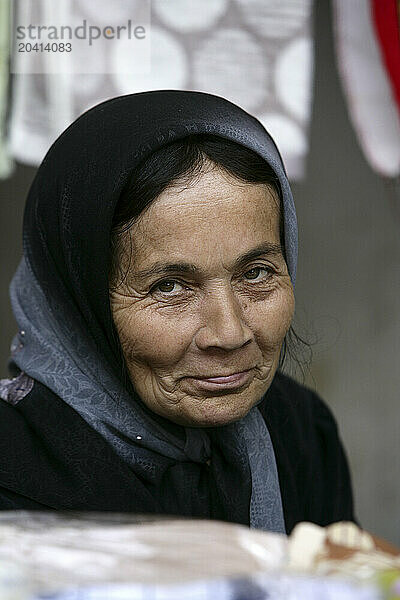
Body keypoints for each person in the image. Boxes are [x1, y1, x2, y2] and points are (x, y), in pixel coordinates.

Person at [0, 90, 355, 533]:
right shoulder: (12, 475)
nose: (229, 333)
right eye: (169, 287)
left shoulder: (301, 431)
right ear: (78, 303)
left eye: (257, 273)